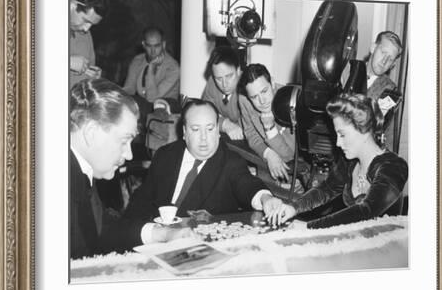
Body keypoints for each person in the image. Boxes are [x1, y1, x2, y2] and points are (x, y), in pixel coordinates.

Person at [125, 99, 293, 231]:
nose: (204, 138)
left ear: (218, 132)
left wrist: (266, 198)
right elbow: (143, 199)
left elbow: (247, 184)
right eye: (196, 129)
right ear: (184, 132)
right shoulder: (165, 154)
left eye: (210, 129)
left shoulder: (230, 162)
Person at [70, 79, 190, 259]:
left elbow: (102, 228)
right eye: (124, 141)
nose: (129, 155)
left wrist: (161, 233)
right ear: (91, 132)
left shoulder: (81, 169)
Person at [265, 93, 408, 229]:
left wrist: (310, 227)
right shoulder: (350, 162)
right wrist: (293, 208)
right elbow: (325, 189)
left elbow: (366, 212)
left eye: (342, 134)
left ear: (364, 130)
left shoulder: (393, 167)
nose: (338, 143)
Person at [238, 64, 296, 182]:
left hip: (295, 170)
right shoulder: (244, 100)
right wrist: (269, 154)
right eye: (254, 97)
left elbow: (288, 155)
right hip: (267, 166)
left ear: (272, 83)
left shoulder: (289, 101)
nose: (262, 101)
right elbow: (251, 135)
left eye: (264, 91)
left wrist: (270, 128)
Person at [123, 26, 180, 111]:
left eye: (157, 46)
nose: (153, 51)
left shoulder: (173, 67)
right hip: (143, 105)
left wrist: (150, 71)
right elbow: (129, 89)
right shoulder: (137, 61)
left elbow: (152, 99)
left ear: (163, 45)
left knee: (149, 105)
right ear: (144, 45)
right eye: (149, 46)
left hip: (165, 108)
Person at [201, 46, 244, 140]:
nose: (224, 84)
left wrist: (218, 121)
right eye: (219, 78)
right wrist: (225, 124)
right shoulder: (212, 82)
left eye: (229, 76)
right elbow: (204, 113)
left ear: (238, 70)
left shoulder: (246, 88)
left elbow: (247, 127)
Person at [69, 0, 110, 87]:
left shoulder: (86, 35)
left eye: (92, 24)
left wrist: (93, 76)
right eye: (85, 20)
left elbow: (89, 67)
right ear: (72, 5)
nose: (86, 28)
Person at [365, 31, 403, 102]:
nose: (384, 61)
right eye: (383, 52)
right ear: (373, 48)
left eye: (390, 59)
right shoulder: (347, 70)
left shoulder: (390, 91)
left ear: (393, 64)